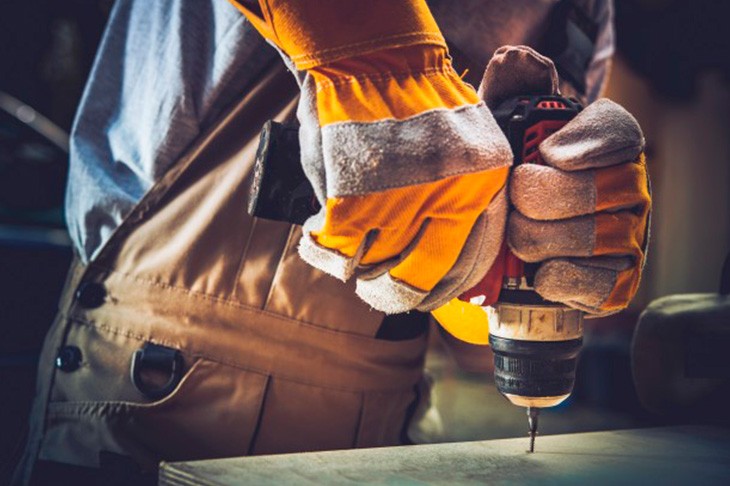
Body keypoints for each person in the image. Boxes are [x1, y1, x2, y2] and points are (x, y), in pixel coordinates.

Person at [14, 0, 650, 484]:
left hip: (382, 413)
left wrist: (498, 273)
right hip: (157, 385)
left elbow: (522, 199)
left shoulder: (584, 11)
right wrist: (375, 59)